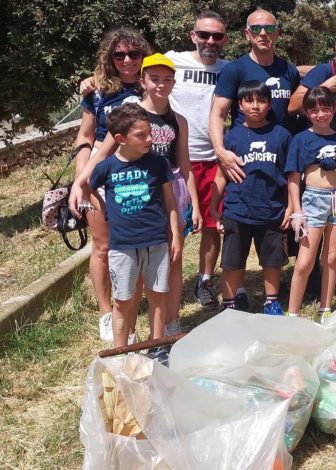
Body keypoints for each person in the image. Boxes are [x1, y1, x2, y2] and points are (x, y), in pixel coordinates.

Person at [68, 27, 151, 343]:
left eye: (133, 53)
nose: (127, 60)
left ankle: (128, 312)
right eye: (120, 54)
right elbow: (86, 137)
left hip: (139, 176)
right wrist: (82, 180)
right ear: (109, 57)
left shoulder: (151, 85)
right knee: (102, 246)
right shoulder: (97, 92)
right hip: (102, 174)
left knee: (139, 246)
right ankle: (107, 312)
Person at [88, 103, 181, 362]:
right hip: (123, 245)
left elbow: (170, 201)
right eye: (141, 135)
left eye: (149, 132)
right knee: (124, 301)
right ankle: (121, 353)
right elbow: (90, 189)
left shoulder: (158, 163)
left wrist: (174, 233)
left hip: (156, 242)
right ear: (120, 139)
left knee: (157, 296)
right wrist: (105, 210)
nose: (150, 139)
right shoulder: (105, 168)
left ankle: (157, 346)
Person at [288, 23, 336, 295]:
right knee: (313, 228)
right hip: (314, 160)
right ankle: (309, 282)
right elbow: (293, 104)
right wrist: (326, 87)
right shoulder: (325, 71)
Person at [210, 81, 291, 316]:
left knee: (272, 260)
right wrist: (214, 207)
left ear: (269, 104)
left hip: (272, 209)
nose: (255, 106)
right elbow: (221, 174)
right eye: (249, 101)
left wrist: (290, 207)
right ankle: (229, 305)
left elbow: (290, 175)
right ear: (240, 105)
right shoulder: (232, 137)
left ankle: (271, 302)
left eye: (261, 101)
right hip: (238, 210)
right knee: (233, 261)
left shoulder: (281, 135)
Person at [166, 10, 230, 307]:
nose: (210, 40)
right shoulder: (172, 60)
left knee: (211, 224)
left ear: (225, 39)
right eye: (204, 34)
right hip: (176, 162)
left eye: (217, 35)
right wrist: (93, 79)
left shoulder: (230, 69)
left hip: (215, 160)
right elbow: (131, 72)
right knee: (170, 225)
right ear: (193, 36)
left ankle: (204, 281)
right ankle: (164, 284)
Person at [285, 87, 336, 320]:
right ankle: (293, 312)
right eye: (315, 110)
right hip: (313, 202)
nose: (321, 114)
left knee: (332, 257)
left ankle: (326, 308)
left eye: (326, 109)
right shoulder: (301, 140)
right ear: (307, 112)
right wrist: (297, 211)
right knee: (305, 260)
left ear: (334, 109)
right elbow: (294, 179)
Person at [211, 8, 300, 184]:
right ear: (247, 34)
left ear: (277, 33)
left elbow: (298, 109)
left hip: (281, 155)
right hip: (245, 158)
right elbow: (218, 113)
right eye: (256, 29)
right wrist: (220, 151)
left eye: (269, 29)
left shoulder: (289, 71)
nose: (263, 34)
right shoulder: (234, 69)